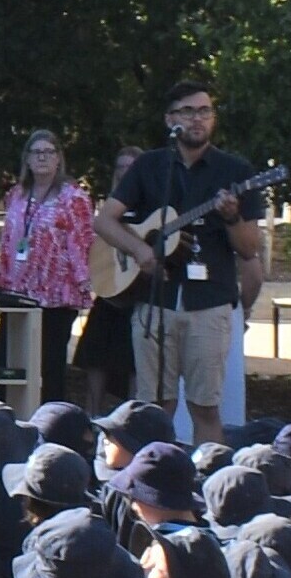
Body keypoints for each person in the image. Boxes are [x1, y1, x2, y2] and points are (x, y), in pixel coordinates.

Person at [109, 81, 264, 426]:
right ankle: (151, 476)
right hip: (154, 300)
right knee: (153, 410)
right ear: (170, 120)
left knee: (205, 409)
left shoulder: (236, 171)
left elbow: (249, 248)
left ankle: (206, 475)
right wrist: (138, 249)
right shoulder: (149, 166)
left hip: (209, 303)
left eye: (205, 111)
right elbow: (105, 221)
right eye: (189, 111)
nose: (198, 119)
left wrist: (232, 216)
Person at [5, 131, 107, 403]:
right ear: (26, 159)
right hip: (18, 292)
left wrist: (84, 284)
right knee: (10, 361)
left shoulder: (74, 198)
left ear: (58, 159)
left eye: (48, 152)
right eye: (35, 152)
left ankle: (50, 425)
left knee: (50, 367)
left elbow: (82, 243)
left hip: (57, 295)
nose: (41, 157)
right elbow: (8, 242)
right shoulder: (16, 195)